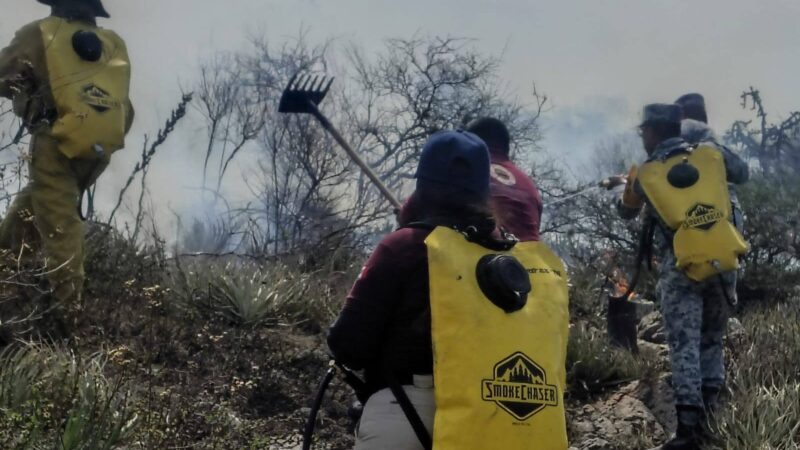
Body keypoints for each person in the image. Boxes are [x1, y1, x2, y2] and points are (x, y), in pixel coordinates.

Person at [329, 130, 569, 450]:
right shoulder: (515, 262)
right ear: (485, 190)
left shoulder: (405, 247)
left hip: (408, 412)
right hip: (500, 417)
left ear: (422, 186)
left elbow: (349, 345)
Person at [617, 104, 749, 450]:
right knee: (712, 341)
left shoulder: (647, 171)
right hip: (723, 263)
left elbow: (626, 212)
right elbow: (743, 171)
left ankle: (688, 431)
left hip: (682, 269)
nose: (642, 136)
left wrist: (627, 182)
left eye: (643, 131)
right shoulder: (710, 155)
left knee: (684, 345)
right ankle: (712, 420)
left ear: (654, 131)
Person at [0, 0, 134, 311]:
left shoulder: (39, 33)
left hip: (54, 146)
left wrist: (20, 89)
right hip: (96, 151)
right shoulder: (111, 43)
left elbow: (4, 73)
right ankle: (6, 277)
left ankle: (69, 317)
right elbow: (126, 110)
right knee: (31, 213)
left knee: (61, 231)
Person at [398, 117, 543, 242]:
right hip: (536, 269)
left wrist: (402, 217)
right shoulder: (529, 185)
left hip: (475, 265)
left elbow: (408, 215)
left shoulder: (466, 172)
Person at [675, 93, 744, 233]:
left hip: (695, 224)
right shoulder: (718, 149)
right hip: (727, 221)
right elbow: (742, 173)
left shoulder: (679, 144)